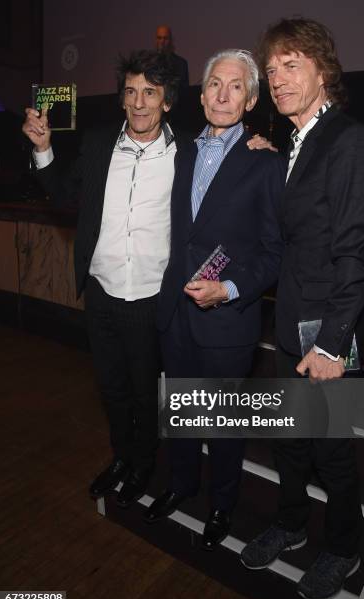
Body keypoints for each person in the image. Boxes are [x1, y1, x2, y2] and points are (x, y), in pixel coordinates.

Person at [240, 19, 364, 599]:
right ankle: (293, 523)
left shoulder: (350, 142)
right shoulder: (298, 143)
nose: (277, 79)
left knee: (331, 448)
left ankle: (344, 547)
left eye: (290, 65)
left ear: (323, 71)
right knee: (291, 439)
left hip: (329, 327)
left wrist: (330, 344)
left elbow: (354, 255)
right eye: (271, 70)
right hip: (292, 318)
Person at [22, 50, 181, 509]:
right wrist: (42, 148)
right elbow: (68, 196)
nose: (139, 103)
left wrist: (256, 146)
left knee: (143, 391)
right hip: (102, 291)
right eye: (131, 92)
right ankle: (121, 458)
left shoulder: (185, 152)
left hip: (150, 296)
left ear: (167, 100)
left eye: (150, 93)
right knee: (111, 389)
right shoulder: (97, 143)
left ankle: (144, 463)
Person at [145, 49, 284, 551]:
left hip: (227, 319)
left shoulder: (268, 163)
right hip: (174, 313)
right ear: (201, 96)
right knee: (180, 415)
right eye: (214, 86)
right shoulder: (177, 151)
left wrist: (227, 288)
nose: (223, 95)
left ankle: (223, 503)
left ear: (250, 100)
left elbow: (274, 253)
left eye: (235, 87)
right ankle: (181, 486)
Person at [156, 25, 189, 89]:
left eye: (165, 38)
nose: (162, 41)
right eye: (159, 38)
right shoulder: (149, 63)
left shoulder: (181, 63)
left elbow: (185, 91)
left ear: (170, 40)